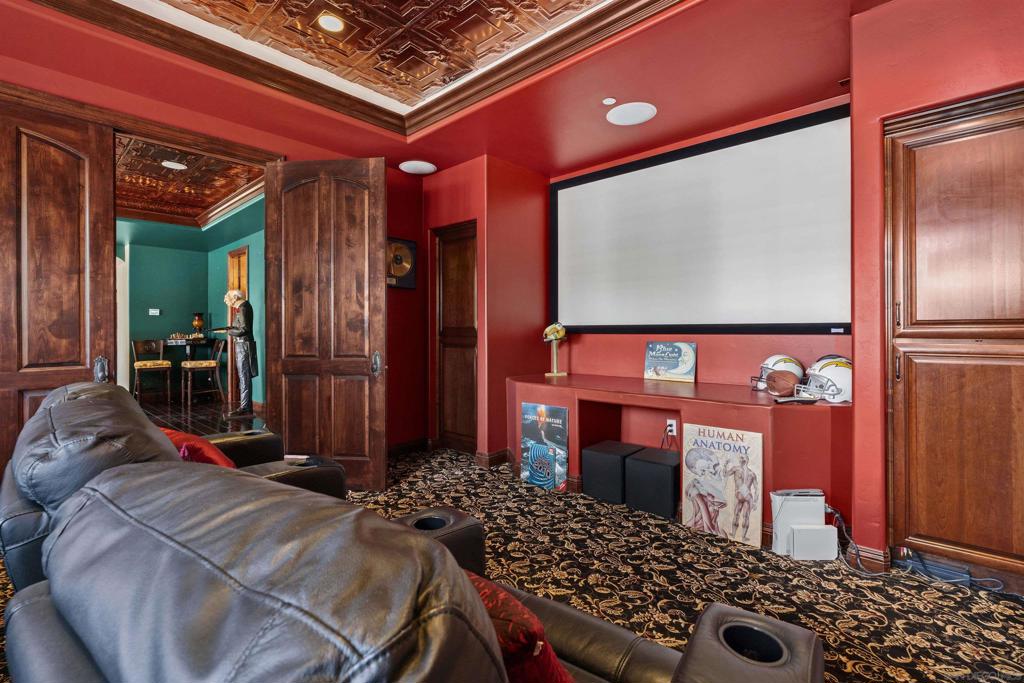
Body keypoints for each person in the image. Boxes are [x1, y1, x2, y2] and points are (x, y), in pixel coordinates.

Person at [211, 289, 258, 418]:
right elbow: (241, 328)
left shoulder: (243, 308)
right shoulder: (243, 307)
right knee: (244, 376)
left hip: (244, 346)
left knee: (244, 376)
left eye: (228, 296)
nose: (225, 299)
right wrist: (227, 330)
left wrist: (228, 332)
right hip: (243, 345)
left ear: (236, 297)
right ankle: (246, 407)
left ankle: (245, 408)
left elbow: (244, 329)